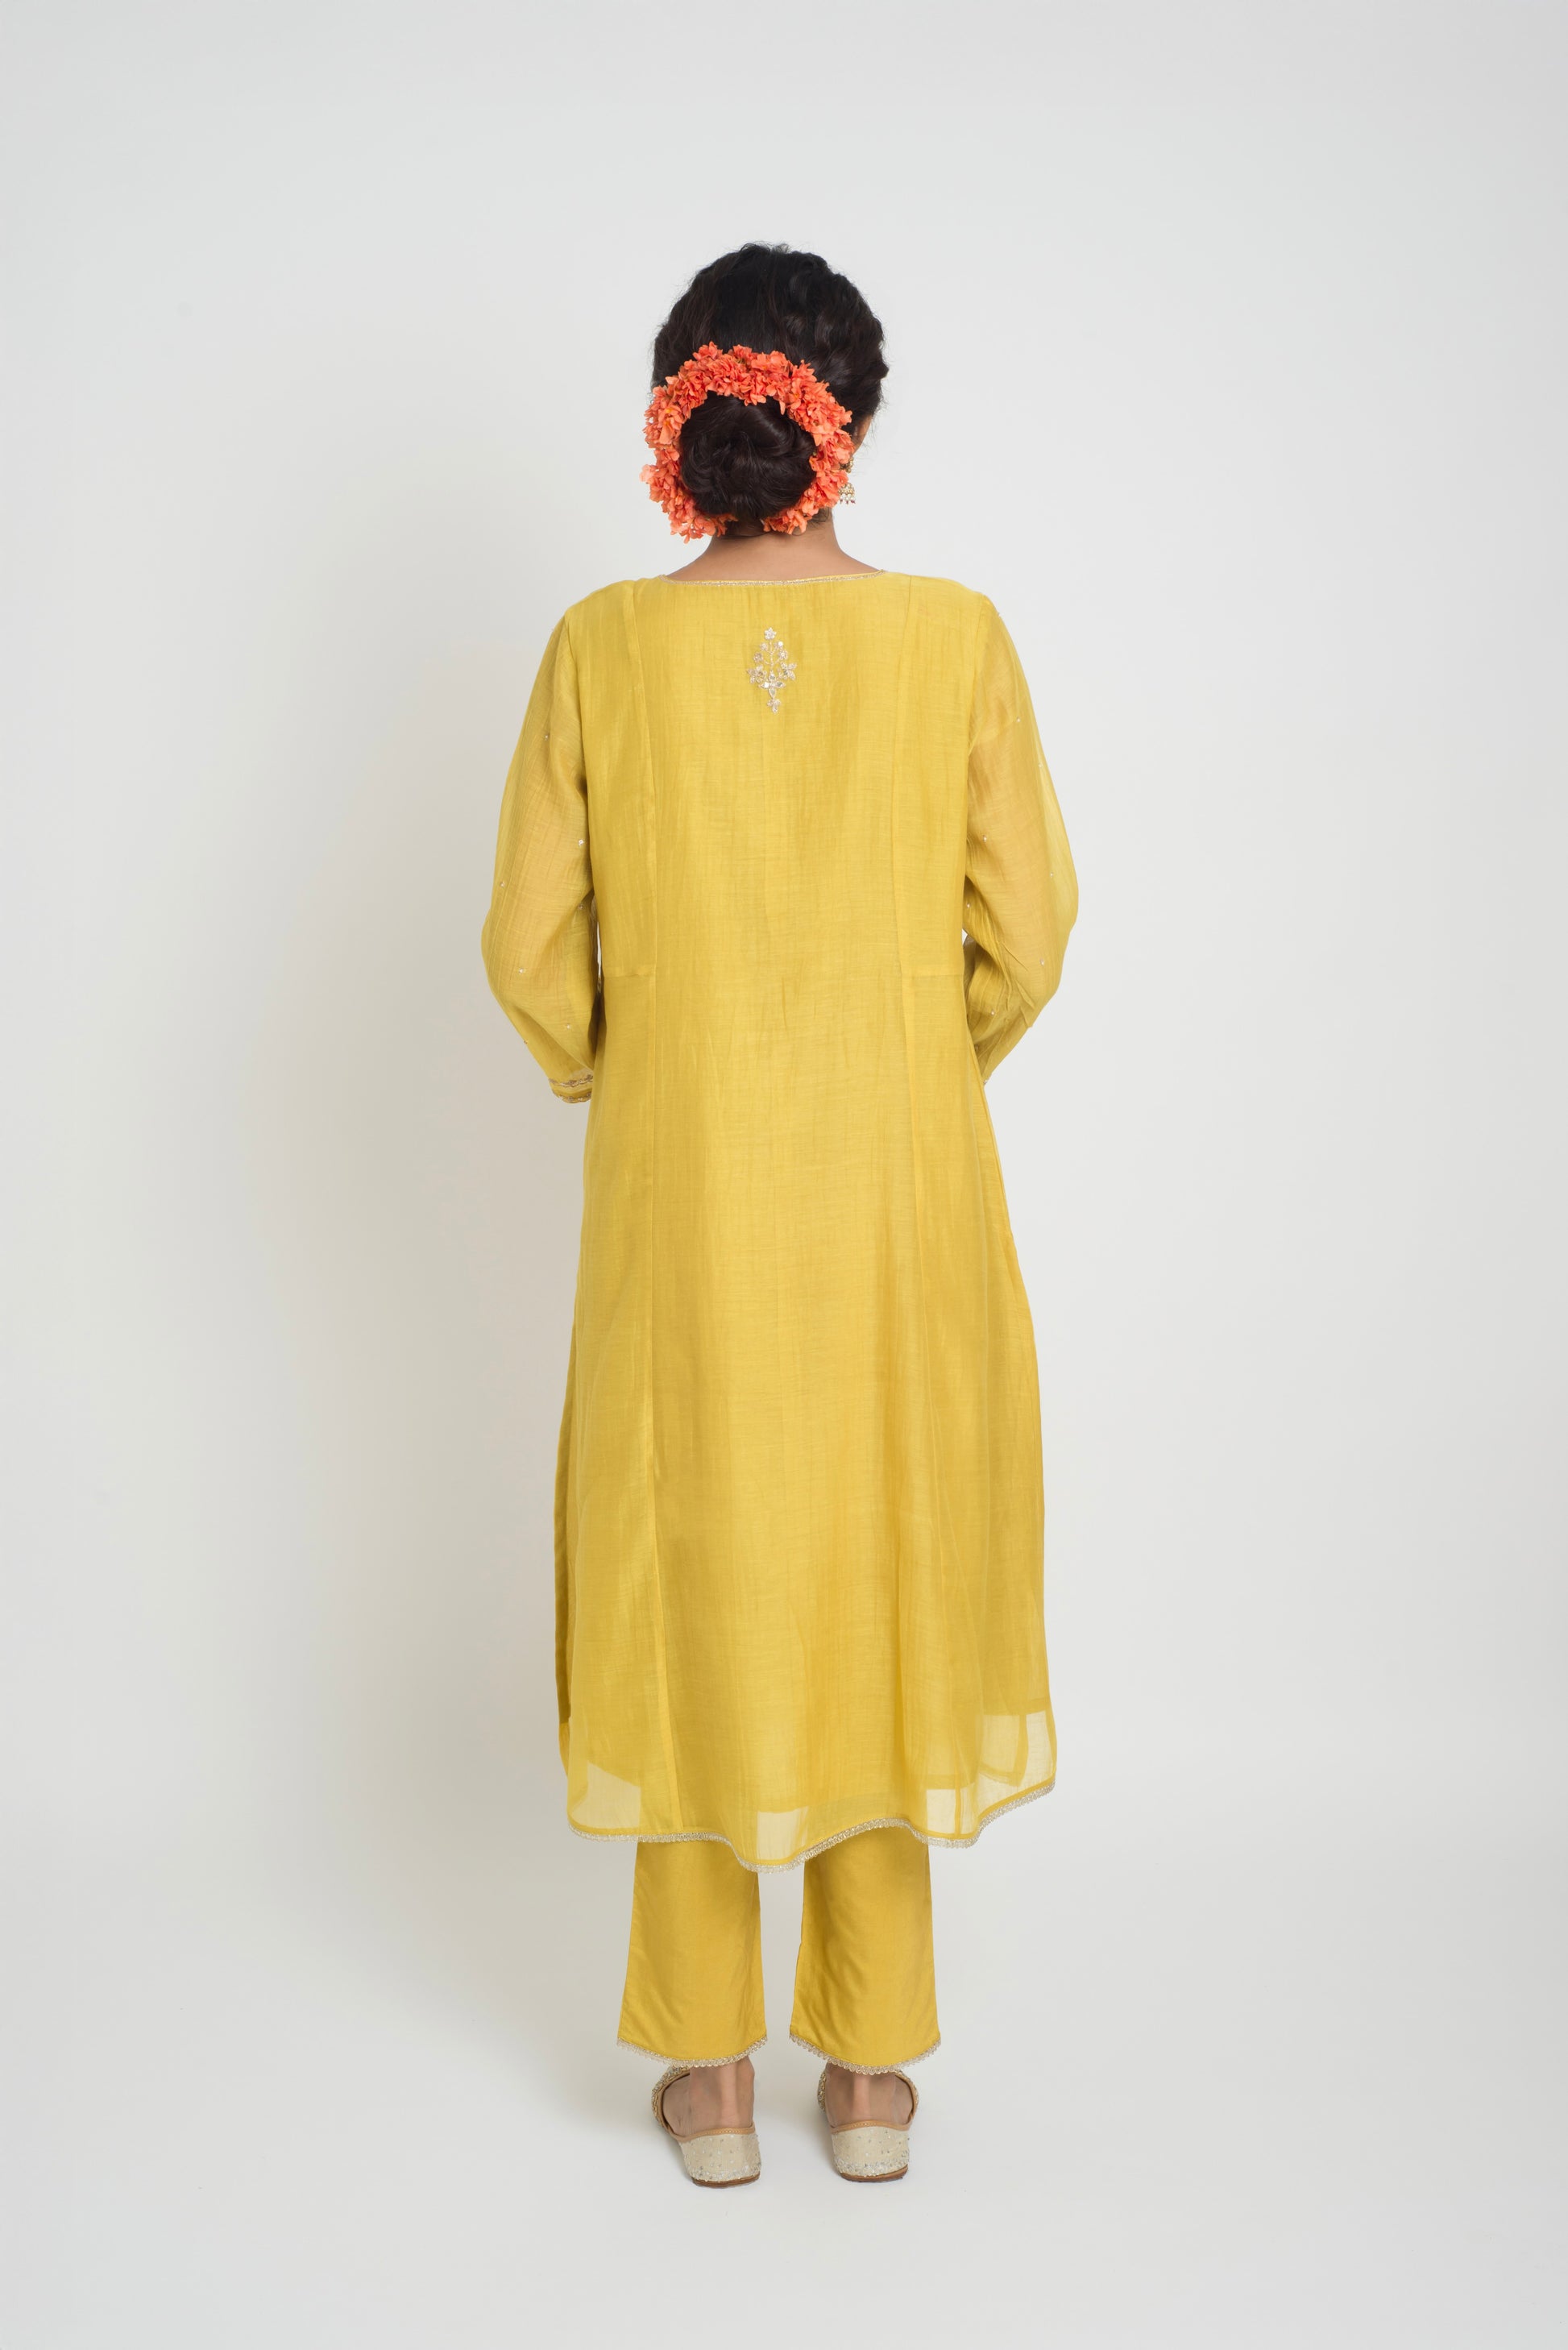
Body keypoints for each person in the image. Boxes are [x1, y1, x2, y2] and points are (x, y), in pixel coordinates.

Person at [482, 243, 1077, 2186]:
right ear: (855, 421)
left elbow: (527, 948)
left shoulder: (599, 647)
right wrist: (909, 1059)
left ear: (679, 423)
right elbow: (1031, 934)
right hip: (898, 1196)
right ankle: (875, 2071)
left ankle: (710, 2073)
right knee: (881, 1562)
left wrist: (631, 1071)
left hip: (682, 1202)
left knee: (692, 1568)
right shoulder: (954, 638)